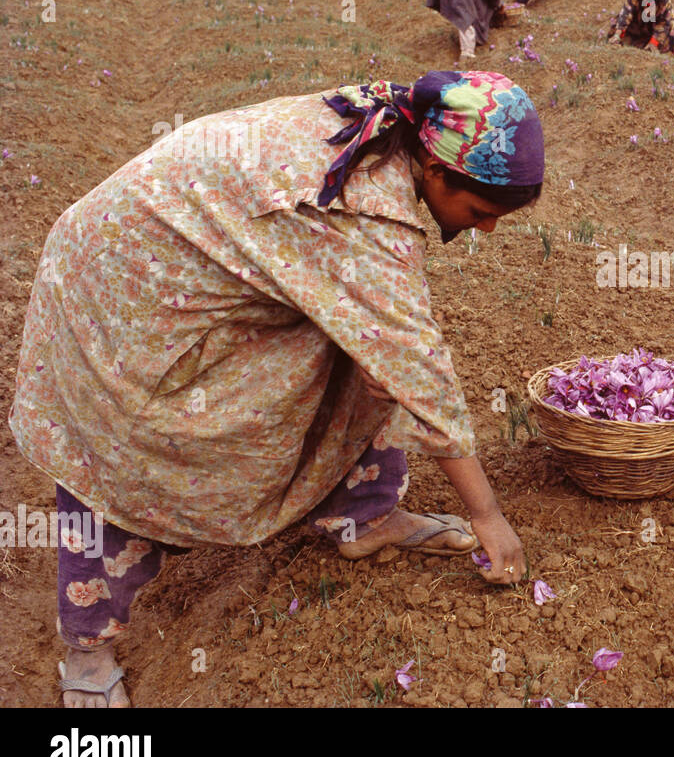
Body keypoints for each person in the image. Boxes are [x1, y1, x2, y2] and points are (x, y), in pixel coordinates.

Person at [10, 70, 544, 707]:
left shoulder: (386, 123)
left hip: (174, 260)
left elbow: (389, 349)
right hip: (119, 293)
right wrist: (488, 515)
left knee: (357, 341)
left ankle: (364, 514)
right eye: (481, 212)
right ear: (434, 170)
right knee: (123, 454)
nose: (484, 231)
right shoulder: (367, 210)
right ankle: (88, 651)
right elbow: (417, 368)